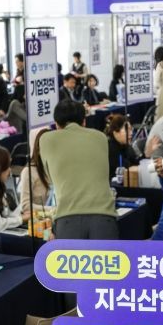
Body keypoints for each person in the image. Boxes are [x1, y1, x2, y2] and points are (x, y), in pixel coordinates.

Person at [40, 101, 118, 239]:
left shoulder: (46, 139)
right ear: (84, 121)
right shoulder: (100, 137)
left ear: (56, 124)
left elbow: (50, 178)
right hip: (104, 219)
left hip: (68, 220)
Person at [19, 129, 51, 213]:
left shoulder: (55, 168)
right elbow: (26, 206)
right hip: (39, 218)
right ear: (39, 150)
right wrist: (52, 209)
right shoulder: (29, 172)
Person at [106, 115, 139, 180]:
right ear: (115, 132)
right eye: (127, 130)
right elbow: (125, 169)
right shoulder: (110, 149)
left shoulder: (127, 147)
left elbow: (136, 164)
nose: (131, 133)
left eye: (131, 129)